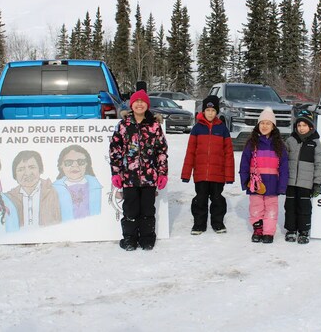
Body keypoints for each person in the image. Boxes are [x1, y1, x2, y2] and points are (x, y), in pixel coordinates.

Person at [109, 89, 168, 251]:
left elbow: (161, 151)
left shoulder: (154, 126)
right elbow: (115, 150)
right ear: (131, 105)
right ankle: (129, 239)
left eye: (143, 102)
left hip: (150, 177)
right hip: (129, 177)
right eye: (136, 102)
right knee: (130, 209)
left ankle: (147, 238)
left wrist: (162, 173)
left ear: (147, 105)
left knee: (148, 209)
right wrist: (116, 173)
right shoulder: (123, 126)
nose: (139, 104)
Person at [181, 95, 235, 235]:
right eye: (208, 110)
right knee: (200, 199)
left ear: (217, 112)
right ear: (203, 111)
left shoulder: (223, 129)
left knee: (217, 199)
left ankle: (218, 223)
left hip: (218, 174)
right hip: (201, 174)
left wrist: (229, 176)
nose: (210, 113)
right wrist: (186, 173)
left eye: (213, 110)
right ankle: (199, 224)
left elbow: (229, 154)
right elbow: (190, 152)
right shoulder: (197, 129)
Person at [239, 107, 289, 244]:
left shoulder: (279, 145)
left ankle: (268, 232)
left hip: (273, 182)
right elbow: (244, 164)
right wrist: (245, 181)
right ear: (258, 125)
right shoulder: (252, 144)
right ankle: (258, 230)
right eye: (262, 123)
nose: (265, 126)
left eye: (268, 123)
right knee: (256, 207)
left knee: (271, 208)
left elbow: (284, 167)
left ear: (273, 126)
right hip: (255, 183)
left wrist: (282, 185)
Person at [283, 110, 321, 244]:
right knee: (290, 207)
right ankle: (291, 230)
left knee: (304, 208)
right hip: (290, 182)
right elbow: (283, 160)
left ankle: (304, 231)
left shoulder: (315, 143)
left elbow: (319, 164)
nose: (301, 128)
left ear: (311, 127)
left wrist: (317, 183)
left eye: (304, 125)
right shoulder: (290, 140)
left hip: (306, 184)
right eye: (299, 125)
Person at [6, 150, 61, 228]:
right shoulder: (9, 198)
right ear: (15, 174)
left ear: (40, 169)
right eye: (21, 169)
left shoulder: (54, 192)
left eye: (32, 167)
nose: (27, 173)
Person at [53, 145, 103, 221]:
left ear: (87, 164)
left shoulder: (98, 187)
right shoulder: (53, 190)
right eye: (68, 162)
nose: (75, 165)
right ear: (61, 165)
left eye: (81, 162)